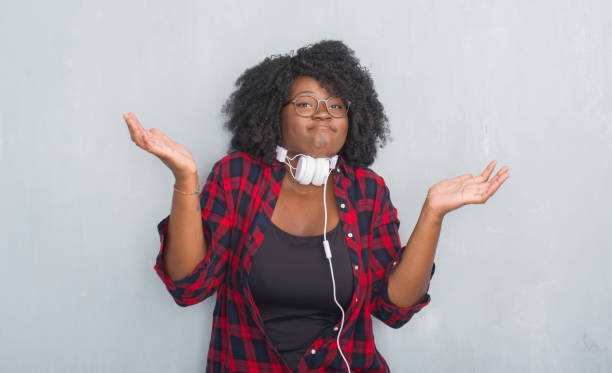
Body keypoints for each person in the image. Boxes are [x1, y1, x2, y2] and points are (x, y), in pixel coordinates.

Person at [124, 40, 510, 373]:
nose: (323, 113)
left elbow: (394, 308)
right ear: (276, 114)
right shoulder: (237, 177)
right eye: (306, 103)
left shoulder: (368, 192)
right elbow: (188, 285)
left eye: (336, 105)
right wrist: (185, 180)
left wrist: (433, 213)